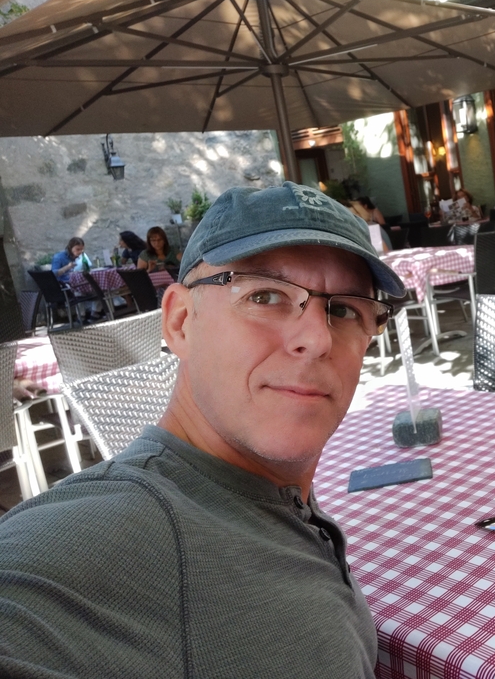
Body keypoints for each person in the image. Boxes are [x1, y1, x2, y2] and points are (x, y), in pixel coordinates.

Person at [0, 182, 406, 676]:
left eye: (343, 309)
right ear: (180, 321)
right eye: (265, 295)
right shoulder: (107, 536)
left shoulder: (270, 492)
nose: (317, 338)